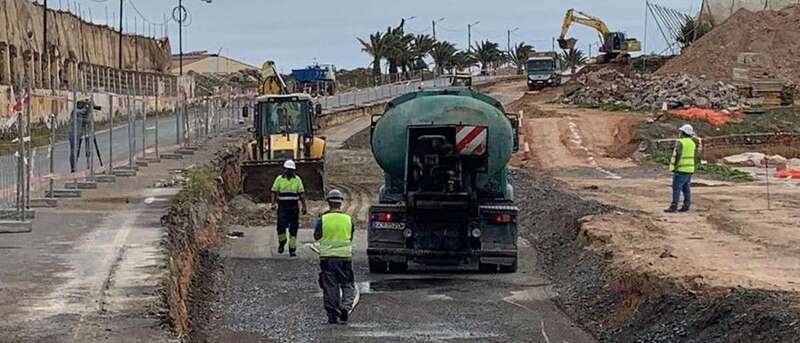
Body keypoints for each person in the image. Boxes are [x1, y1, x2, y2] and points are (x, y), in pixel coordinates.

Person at [314, 189, 355, 324]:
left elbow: (317, 236)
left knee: (330, 286)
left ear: (329, 203)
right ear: (340, 203)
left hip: (328, 259)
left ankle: (333, 315)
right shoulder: (348, 220)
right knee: (347, 284)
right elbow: (350, 236)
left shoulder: (323, 219)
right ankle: (346, 307)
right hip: (345, 258)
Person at [270, 159, 308, 256]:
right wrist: (273, 203)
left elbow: (301, 194)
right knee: (281, 226)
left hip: (293, 207)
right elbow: (274, 192)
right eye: (288, 169)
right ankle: (282, 242)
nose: (290, 171)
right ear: (285, 169)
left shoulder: (297, 179)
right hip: (282, 207)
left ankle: (292, 249)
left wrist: (304, 206)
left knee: (294, 228)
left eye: (292, 170)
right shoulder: (279, 179)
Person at [665, 124, 697, 213]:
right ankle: (686, 205)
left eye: (681, 132)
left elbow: (678, 155)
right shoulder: (692, 143)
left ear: (683, 133)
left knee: (676, 188)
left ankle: (674, 206)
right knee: (686, 188)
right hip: (689, 169)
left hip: (681, 168)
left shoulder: (680, 142)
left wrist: (675, 166)